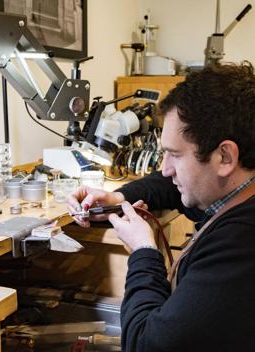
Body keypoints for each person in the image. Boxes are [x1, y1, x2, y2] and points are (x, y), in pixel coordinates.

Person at [68, 62, 255, 351]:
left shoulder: (240, 242)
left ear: (225, 157)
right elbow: (166, 185)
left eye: (175, 155)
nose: (166, 169)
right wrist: (119, 198)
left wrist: (144, 252)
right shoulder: (236, 193)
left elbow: (146, 344)